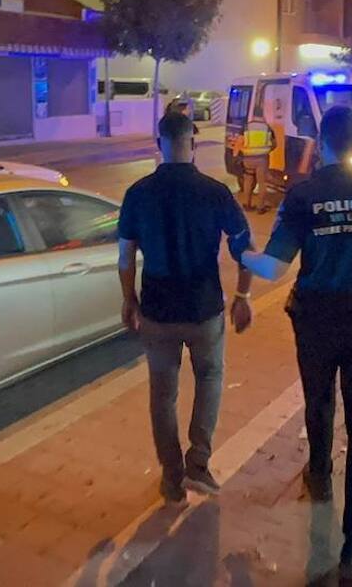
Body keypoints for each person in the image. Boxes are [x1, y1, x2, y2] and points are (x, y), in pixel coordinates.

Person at [240, 105, 352, 585]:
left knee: (319, 405)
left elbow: (274, 269)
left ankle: (319, 476)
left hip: (316, 324)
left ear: (321, 142)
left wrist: (242, 254)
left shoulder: (304, 195)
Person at [118, 111, 254, 503]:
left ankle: (172, 477)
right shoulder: (215, 191)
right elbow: (245, 248)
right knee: (210, 379)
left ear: (158, 144)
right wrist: (243, 296)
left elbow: (126, 258)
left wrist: (129, 300)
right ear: (192, 143)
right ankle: (199, 461)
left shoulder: (138, 194)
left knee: (163, 394)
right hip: (204, 309)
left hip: (157, 311)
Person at [239, 114, 276, 213]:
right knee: (262, 183)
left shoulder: (246, 127)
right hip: (261, 160)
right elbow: (274, 143)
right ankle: (260, 207)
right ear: (263, 116)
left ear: (253, 116)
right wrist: (267, 150)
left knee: (248, 181)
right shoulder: (267, 128)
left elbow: (240, 141)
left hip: (248, 159)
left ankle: (247, 204)